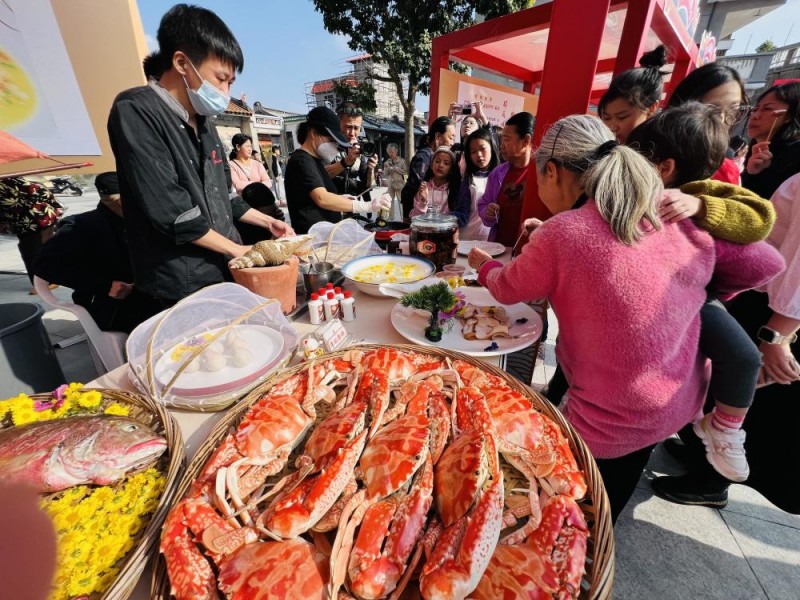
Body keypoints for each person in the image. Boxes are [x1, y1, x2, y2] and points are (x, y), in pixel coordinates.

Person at [467, 114, 784, 522]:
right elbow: (764, 263)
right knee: (618, 485)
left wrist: (482, 265)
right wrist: (697, 292)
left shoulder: (563, 233)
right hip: (676, 401)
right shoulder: (668, 211)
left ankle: (584, 555)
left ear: (551, 171)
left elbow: (509, 287)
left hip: (609, 419)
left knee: (573, 510)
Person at [628, 102, 777, 481]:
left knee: (743, 357)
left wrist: (701, 206)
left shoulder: (702, 191)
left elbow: (761, 218)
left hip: (696, 297)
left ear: (665, 167)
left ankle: (724, 428)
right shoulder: (633, 190)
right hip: (650, 299)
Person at [107, 5, 293, 307]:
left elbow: (225, 195)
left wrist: (266, 222)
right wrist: (238, 250)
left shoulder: (204, 121)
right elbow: (173, 214)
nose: (225, 90)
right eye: (221, 79)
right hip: (180, 282)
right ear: (181, 62)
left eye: (231, 83)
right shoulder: (135, 110)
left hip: (223, 268)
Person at [652, 172, 800, 514]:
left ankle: (712, 481)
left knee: (743, 391)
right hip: (765, 299)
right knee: (720, 381)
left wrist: (777, 334)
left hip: (777, 314)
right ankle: (699, 454)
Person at [33, 172, 161, 333]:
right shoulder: (80, 227)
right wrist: (104, 286)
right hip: (118, 303)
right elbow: (44, 265)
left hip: (156, 292)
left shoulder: (148, 218)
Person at [284, 106, 390, 234]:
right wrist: (367, 206)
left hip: (324, 234)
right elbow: (321, 198)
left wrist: (341, 198)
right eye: (331, 140)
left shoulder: (314, 160)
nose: (335, 146)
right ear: (313, 133)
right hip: (311, 238)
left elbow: (314, 193)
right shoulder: (302, 160)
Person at [666, 62, 751, 184]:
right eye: (711, 110)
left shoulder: (728, 173)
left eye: (733, 110)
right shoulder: (650, 153)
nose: (721, 120)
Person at [478, 111, 534, 246]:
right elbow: (483, 204)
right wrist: (488, 211)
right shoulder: (497, 173)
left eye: (507, 139)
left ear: (526, 141)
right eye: (502, 139)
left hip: (529, 250)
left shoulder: (540, 173)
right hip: (500, 249)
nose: (502, 145)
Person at [0, 177, 63, 294]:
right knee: (42, 249)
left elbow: (10, 205)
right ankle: (51, 279)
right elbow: (44, 192)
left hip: (32, 220)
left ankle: (45, 283)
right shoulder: (13, 177)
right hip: (44, 214)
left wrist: (3, 221)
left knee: (32, 252)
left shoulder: (3, 183)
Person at [598, 45, 668, 144]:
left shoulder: (660, 151)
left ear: (652, 108)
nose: (612, 127)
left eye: (622, 117)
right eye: (606, 118)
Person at [742, 82, 800, 199]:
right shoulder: (758, 152)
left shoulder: (794, 156)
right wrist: (752, 173)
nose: (755, 115)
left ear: (790, 115)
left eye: (767, 108)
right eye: (756, 108)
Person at [401, 116, 456, 219]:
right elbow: (420, 187)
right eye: (451, 137)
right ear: (438, 137)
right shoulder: (424, 157)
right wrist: (423, 201)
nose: (452, 143)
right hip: (414, 212)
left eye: (446, 163)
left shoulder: (451, 188)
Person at [324, 103, 377, 199]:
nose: (352, 133)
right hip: (329, 207)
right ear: (338, 124)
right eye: (348, 127)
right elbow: (319, 176)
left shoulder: (358, 149)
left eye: (356, 128)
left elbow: (368, 185)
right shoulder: (326, 145)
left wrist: (371, 169)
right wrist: (346, 162)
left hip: (351, 206)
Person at [456, 128, 499, 241]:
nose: (479, 155)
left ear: (492, 147)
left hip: (493, 240)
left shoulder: (501, 177)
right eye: (473, 152)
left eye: (482, 149)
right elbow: (462, 213)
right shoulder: (469, 180)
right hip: (467, 238)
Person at [409, 146, 461, 218]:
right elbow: (414, 218)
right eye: (437, 161)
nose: (440, 165)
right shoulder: (424, 188)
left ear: (451, 169)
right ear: (431, 165)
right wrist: (423, 202)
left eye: (446, 163)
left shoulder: (454, 190)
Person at [382, 143, 407, 218]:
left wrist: (397, 169)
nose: (390, 154)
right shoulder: (387, 162)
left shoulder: (402, 161)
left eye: (392, 152)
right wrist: (386, 168)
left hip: (400, 184)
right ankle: (390, 219)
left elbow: (406, 171)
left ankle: (403, 219)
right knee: (389, 201)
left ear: (396, 151)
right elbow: (385, 174)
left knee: (401, 202)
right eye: (389, 152)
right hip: (390, 184)